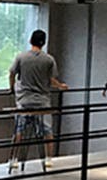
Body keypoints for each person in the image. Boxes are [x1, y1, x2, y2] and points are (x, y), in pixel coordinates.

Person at [7, 29, 69, 172]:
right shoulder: (49, 60)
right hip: (42, 102)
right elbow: (51, 79)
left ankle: (13, 160)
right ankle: (48, 159)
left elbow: (12, 73)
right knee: (47, 130)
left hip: (24, 100)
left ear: (30, 40)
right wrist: (61, 86)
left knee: (19, 130)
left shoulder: (21, 57)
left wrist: (12, 88)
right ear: (44, 43)